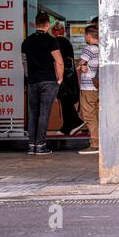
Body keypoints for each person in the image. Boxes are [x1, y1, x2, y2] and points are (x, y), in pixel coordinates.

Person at [21, 12, 64, 155]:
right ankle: (41, 145)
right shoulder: (51, 40)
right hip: (48, 81)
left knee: (33, 113)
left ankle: (31, 145)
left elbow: (24, 63)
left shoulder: (26, 41)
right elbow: (59, 62)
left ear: (35, 23)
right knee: (44, 113)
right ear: (48, 24)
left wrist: (29, 79)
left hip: (33, 81)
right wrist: (60, 79)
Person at [51, 22, 85, 136]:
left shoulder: (56, 42)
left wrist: (57, 78)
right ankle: (67, 127)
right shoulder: (67, 42)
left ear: (53, 32)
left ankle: (76, 121)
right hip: (70, 75)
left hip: (63, 75)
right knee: (66, 100)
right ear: (63, 31)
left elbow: (57, 62)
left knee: (65, 100)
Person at [77, 24, 99, 154]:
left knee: (89, 115)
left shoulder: (89, 49)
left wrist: (80, 66)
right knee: (97, 115)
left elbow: (80, 63)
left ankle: (95, 143)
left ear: (89, 36)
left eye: (85, 35)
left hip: (89, 87)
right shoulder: (103, 48)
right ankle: (100, 141)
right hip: (99, 86)